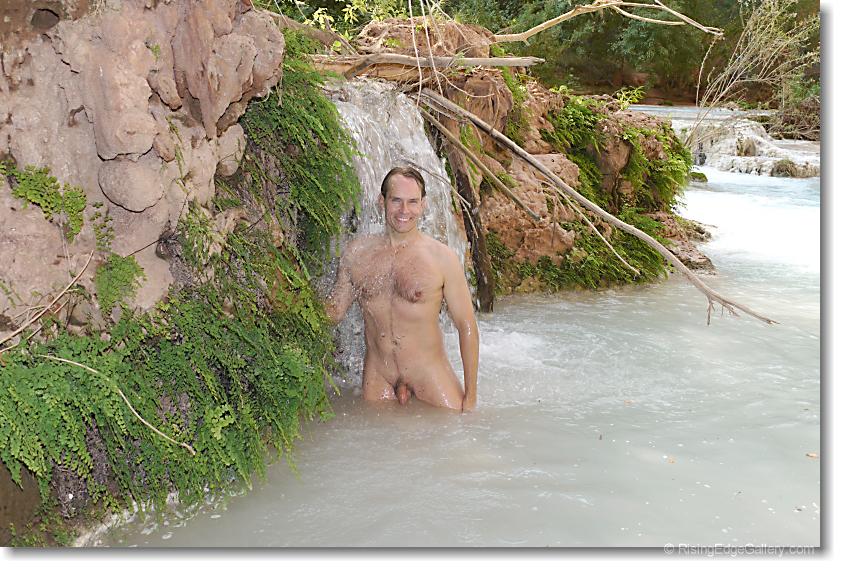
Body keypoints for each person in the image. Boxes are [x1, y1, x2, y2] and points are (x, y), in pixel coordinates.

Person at [325, 166, 479, 412]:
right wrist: (290, 299)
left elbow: (466, 325)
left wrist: (471, 397)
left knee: (458, 426)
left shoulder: (442, 258)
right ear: (382, 201)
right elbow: (333, 312)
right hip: (379, 373)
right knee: (374, 435)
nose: (404, 211)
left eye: (412, 202)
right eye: (396, 200)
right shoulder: (357, 253)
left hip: (428, 371)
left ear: (423, 205)